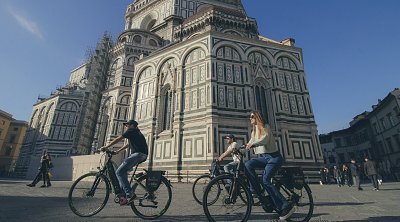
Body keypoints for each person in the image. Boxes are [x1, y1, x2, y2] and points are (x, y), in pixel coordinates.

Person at [244, 111, 295, 220]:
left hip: (274, 158)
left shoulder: (265, 127)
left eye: (252, 116)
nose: (250, 118)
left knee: (265, 180)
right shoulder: (254, 131)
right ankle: (256, 190)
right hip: (264, 158)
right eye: (250, 117)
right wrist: (241, 148)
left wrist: (253, 144)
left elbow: (265, 139)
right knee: (248, 164)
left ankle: (285, 206)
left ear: (257, 117)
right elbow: (250, 142)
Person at [100, 120, 148, 205]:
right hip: (141, 154)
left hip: (139, 154)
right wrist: (118, 151)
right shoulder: (135, 133)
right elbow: (128, 144)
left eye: (127, 125)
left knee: (119, 172)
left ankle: (130, 193)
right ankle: (124, 197)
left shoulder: (132, 131)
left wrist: (106, 146)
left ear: (132, 125)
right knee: (123, 172)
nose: (126, 126)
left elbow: (119, 138)